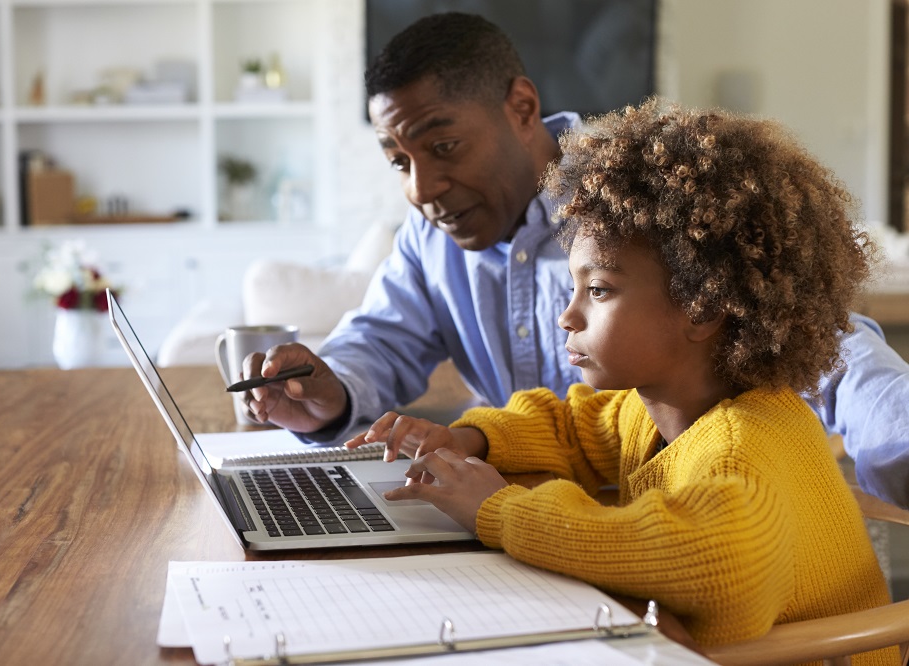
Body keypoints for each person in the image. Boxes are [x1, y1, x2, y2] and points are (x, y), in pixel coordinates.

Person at [240, 12, 909, 508]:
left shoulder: (633, 208)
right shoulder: (430, 240)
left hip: (657, 513)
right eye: (398, 162)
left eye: (443, 148)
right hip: (529, 507)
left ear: (522, 109)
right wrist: (325, 395)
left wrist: (899, 442)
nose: (420, 190)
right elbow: (379, 343)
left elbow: (830, 348)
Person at [346, 99, 896, 659]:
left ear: (702, 310)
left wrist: (500, 509)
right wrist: (470, 439)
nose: (568, 316)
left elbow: (717, 564)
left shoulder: (743, 446)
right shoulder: (654, 407)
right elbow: (571, 426)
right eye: (573, 288)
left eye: (600, 291)